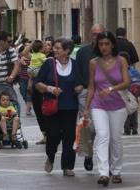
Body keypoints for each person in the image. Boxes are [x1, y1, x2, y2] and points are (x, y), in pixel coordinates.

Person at [83, 31, 130, 186]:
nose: (103, 47)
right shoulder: (93, 63)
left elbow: (127, 82)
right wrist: (86, 107)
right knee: (103, 136)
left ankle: (116, 170)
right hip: (99, 105)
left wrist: (110, 89)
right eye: (100, 44)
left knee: (115, 139)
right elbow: (91, 87)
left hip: (118, 106)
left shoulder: (121, 60)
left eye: (106, 44)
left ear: (112, 45)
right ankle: (103, 173)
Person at [35, 38, 82, 177]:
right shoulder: (48, 64)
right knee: (53, 135)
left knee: (69, 137)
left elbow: (81, 82)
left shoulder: (75, 64)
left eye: (57, 48)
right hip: (52, 107)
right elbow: (37, 83)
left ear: (67, 51)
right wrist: (49, 88)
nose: (53, 50)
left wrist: (79, 87)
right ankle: (50, 156)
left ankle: (67, 166)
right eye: (54, 47)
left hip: (70, 107)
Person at [76, 23, 105, 171]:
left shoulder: (108, 51)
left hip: (104, 93)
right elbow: (78, 70)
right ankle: (88, 155)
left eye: (99, 33)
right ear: (90, 34)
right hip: (86, 92)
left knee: (103, 129)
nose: (97, 37)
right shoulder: (83, 51)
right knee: (89, 128)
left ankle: (105, 162)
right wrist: (80, 84)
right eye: (94, 34)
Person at [21, 40, 47, 144]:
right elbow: (24, 53)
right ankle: (45, 136)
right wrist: (33, 43)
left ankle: (51, 134)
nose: (46, 47)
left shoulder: (45, 57)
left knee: (47, 111)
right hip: (36, 86)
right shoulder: (40, 56)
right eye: (45, 45)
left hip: (46, 87)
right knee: (38, 110)